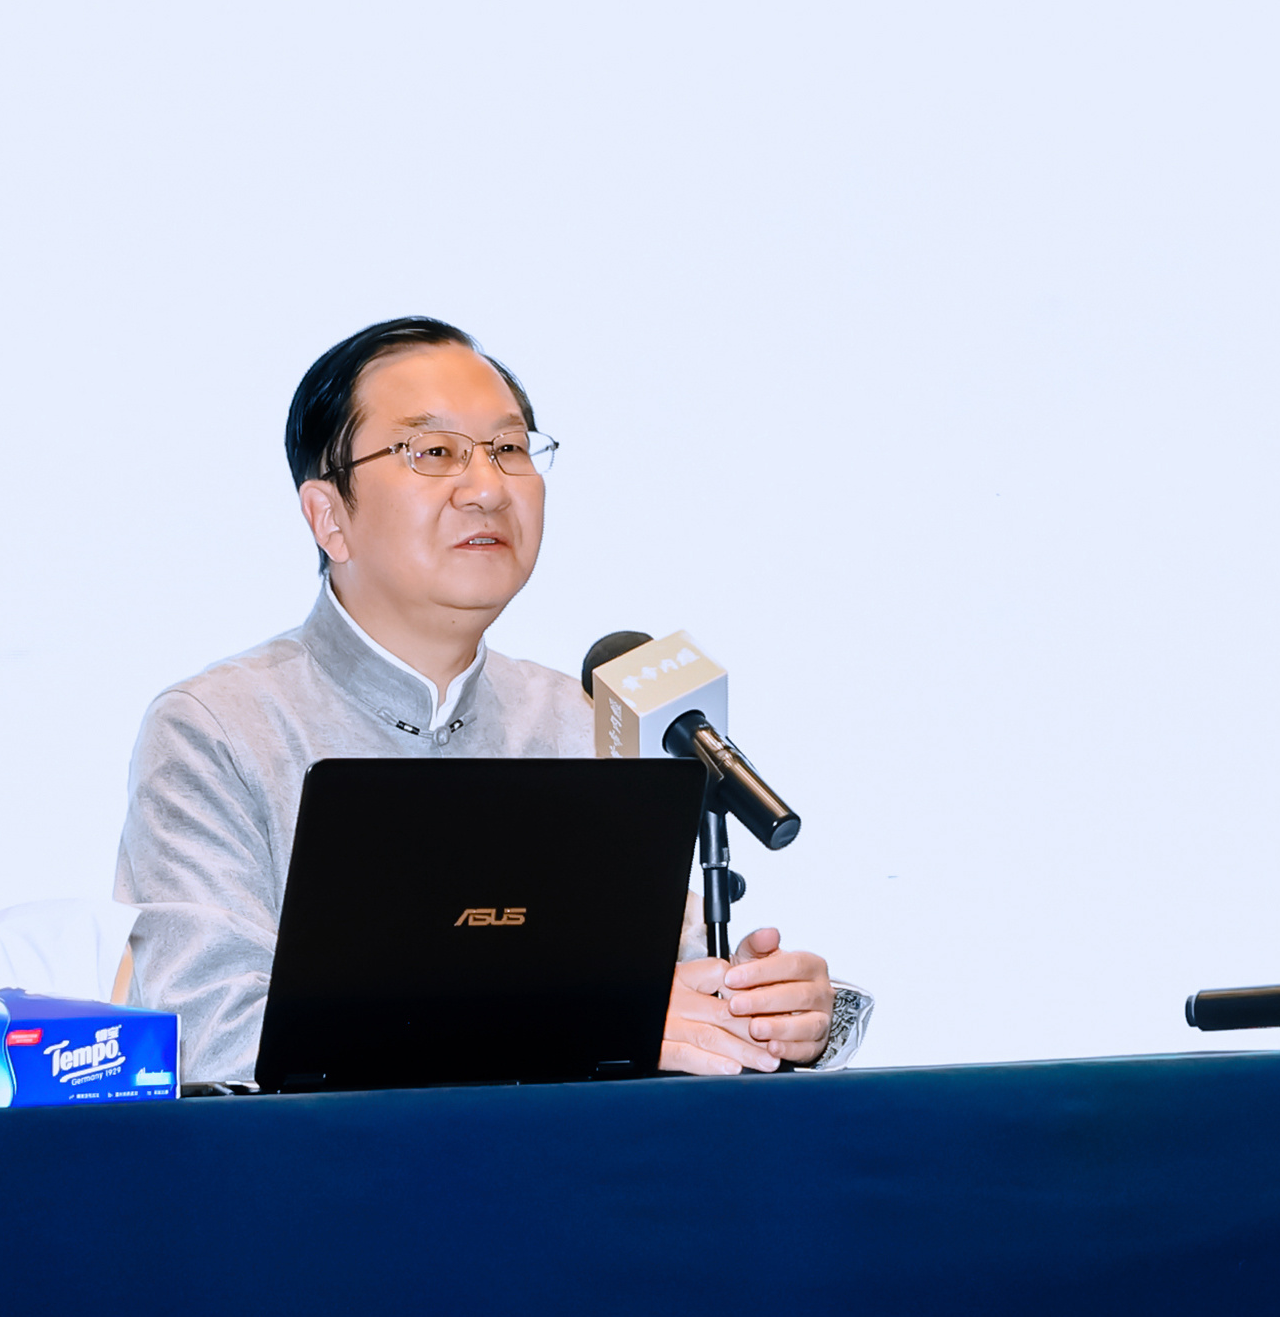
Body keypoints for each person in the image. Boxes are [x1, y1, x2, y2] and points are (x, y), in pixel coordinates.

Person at [113, 315, 855, 1085]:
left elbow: (676, 993)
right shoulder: (219, 730)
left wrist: (776, 1015)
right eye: (434, 452)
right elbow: (211, 1032)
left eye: (509, 448)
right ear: (329, 517)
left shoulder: (579, 723)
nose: (488, 488)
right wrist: (585, 1024)